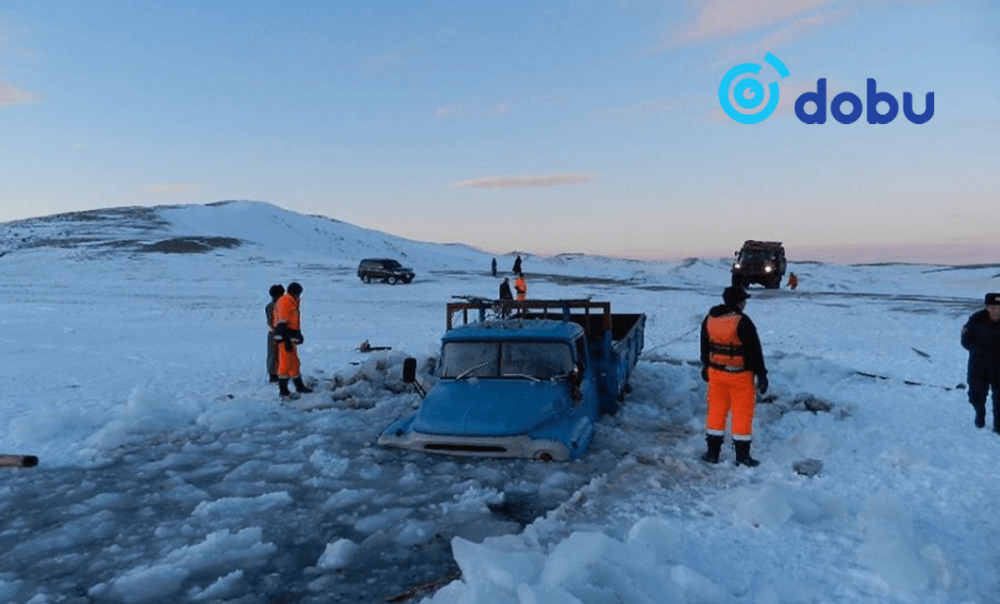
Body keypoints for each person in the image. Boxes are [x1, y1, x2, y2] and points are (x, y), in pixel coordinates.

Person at [700, 285, 769, 466]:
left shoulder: (710, 319)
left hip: (716, 373)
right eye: (744, 300)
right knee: (742, 413)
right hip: (740, 376)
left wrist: (706, 366)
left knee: (716, 411)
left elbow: (705, 347)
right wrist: (761, 374)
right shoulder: (743, 321)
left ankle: (712, 453)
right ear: (738, 303)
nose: (745, 303)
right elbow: (755, 351)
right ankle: (742, 457)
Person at [961, 293, 1000, 432]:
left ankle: (998, 427)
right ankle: (980, 412)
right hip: (979, 364)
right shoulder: (976, 319)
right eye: (993, 307)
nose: (996, 310)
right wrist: (976, 351)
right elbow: (965, 340)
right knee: (975, 395)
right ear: (987, 307)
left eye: (999, 307)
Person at [273, 281, 313, 398]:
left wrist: (298, 334)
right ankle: (283, 390)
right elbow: (282, 322)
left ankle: (299, 386)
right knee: (285, 364)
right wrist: (287, 338)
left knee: (294, 363)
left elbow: (293, 320)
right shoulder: (285, 301)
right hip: (286, 337)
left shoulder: (292, 301)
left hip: (291, 336)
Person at [265, 284, 285, 383]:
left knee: (274, 354)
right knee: (275, 355)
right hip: (277, 333)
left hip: (274, 333)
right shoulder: (276, 306)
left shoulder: (270, 306)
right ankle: (274, 375)